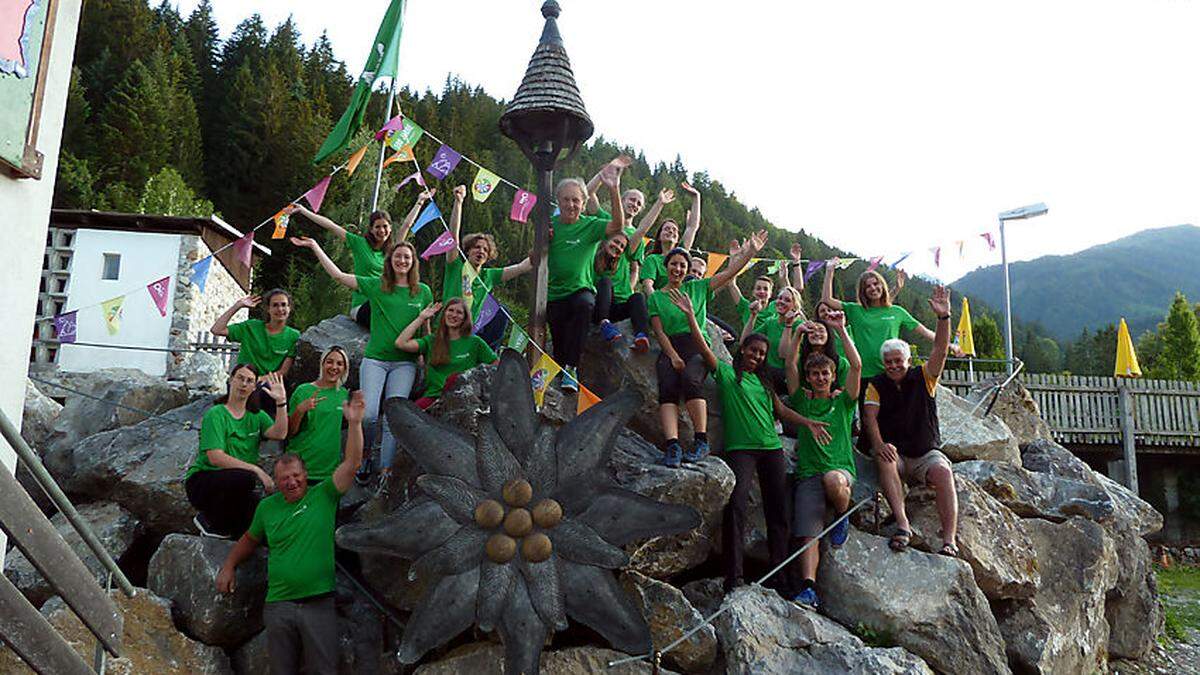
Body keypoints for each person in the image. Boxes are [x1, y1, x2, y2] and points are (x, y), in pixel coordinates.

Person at [668, 289, 830, 597]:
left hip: (771, 448)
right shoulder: (728, 374)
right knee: (737, 507)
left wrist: (808, 422)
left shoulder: (765, 382)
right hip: (741, 449)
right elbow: (704, 347)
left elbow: (780, 411)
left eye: (761, 354)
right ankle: (734, 576)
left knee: (778, 513)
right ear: (742, 350)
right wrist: (691, 316)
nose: (756, 356)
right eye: (753, 351)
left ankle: (781, 577)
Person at [216, 391, 366, 675]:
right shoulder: (267, 508)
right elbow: (250, 539)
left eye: (296, 476)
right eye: (285, 478)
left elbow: (352, 464)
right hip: (279, 604)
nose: (292, 482)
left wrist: (356, 424)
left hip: (319, 602)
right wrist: (229, 565)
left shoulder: (324, 495)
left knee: (324, 670)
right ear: (276, 480)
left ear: (306, 475)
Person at [291, 236, 433, 492]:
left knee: (393, 417)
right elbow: (338, 276)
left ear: (413, 263)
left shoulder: (422, 291)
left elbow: (426, 327)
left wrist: (424, 355)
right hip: (376, 359)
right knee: (368, 415)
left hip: (405, 363)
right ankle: (365, 455)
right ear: (390, 261)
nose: (402, 261)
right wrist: (315, 246)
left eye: (407, 258)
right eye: (398, 256)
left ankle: (386, 471)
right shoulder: (377, 286)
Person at [647, 230, 767, 467]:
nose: (678, 269)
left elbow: (730, 272)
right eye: (674, 264)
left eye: (683, 265)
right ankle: (672, 444)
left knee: (692, 379)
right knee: (667, 386)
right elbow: (659, 331)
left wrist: (749, 252)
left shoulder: (699, 288)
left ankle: (701, 440)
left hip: (696, 345)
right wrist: (671, 355)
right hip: (672, 344)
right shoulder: (656, 298)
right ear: (666, 266)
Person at [863, 285, 958, 557]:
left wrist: (943, 318)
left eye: (898, 361)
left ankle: (949, 540)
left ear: (907, 360)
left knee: (943, 472)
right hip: (899, 454)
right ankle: (903, 525)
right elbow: (869, 417)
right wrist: (880, 444)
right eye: (888, 362)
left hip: (926, 451)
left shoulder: (924, 377)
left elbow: (940, 349)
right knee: (885, 458)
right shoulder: (876, 385)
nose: (893, 366)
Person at [784, 309, 862, 609]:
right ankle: (808, 587)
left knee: (834, 480)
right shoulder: (802, 399)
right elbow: (790, 363)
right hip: (808, 473)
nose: (820, 378)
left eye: (825, 374)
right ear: (809, 377)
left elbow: (856, 365)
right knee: (807, 533)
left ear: (832, 376)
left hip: (838, 470)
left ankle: (843, 513)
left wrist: (841, 330)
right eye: (815, 374)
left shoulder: (843, 401)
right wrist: (798, 332)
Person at [545, 167, 625, 392]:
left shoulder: (590, 225)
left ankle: (572, 368)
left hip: (580, 291)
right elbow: (534, 257)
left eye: (576, 200)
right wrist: (544, 238)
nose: (571, 205)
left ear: (583, 202)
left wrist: (614, 189)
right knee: (559, 344)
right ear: (558, 201)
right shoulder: (550, 226)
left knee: (585, 304)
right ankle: (562, 369)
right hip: (553, 294)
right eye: (566, 200)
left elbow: (617, 226)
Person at [186, 365, 288, 538]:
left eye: (249, 381)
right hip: (204, 481)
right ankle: (208, 519)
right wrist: (256, 469)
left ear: (254, 387)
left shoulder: (256, 416)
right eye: (240, 378)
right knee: (245, 478)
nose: (243, 384)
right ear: (231, 380)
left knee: (257, 517)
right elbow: (215, 457)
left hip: (235, 485)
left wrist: (281, 402)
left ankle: (226, 532)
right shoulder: (216, 414)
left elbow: (280, 433)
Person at [820, 261, 962, 381]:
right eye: (867, 286)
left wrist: (949, 345)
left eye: (876, 284)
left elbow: (924, 332)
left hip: (892, 374)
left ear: (882, 285)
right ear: (862, 291)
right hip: (864, 376)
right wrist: (829, 270)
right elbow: (827, 299)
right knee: (869, 414)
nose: (873, 288)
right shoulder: (855, 310)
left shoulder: (897, 312)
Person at [443, 185, 532, 348]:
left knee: (502, 311)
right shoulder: (455, 266)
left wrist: (544, 245)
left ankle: (489, 353)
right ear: (468, 250)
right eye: (476, 247)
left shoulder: (488, 276)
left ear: (489, 256)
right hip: (446, 331)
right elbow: (452, 237)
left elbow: (522, 267)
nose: (481, 251)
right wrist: (458, 202)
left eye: (485, 249)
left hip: (469, 333)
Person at [593, 188, 674, 351]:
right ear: (622, 200)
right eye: (631, 200)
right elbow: (590, 199)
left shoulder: (634, 237)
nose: (634, 204)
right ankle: (604, 324)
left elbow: (635, 267)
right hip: (601, 298)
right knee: (605, 281)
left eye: (638, 203)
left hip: (621, 300)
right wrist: (607, 179)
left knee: (637, 297)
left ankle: (641, 336)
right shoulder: (607, 222)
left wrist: (630, 286)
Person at [395, 298, 498, 410]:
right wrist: (422, 318)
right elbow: (401, 343)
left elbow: (497, 367)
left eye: (459, 312)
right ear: (444, 314)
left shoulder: (475, 342)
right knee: (409, 417)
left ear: (465, 318)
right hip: (434, 398)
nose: (454, 315)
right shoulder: (431, 341)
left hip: (463, 401)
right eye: (450, 310)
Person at [210, 289, 300, 416]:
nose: (280, 309)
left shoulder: (294, 336)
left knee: (266, 393)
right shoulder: (251, 327)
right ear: (268, 309)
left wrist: (260, 379)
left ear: (289, 308)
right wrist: (238, 305)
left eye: (283, 305)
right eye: (275, 305)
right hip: (243, 380)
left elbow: (283, 372)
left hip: (268, 384)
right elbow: (217, 329)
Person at [286, 346, 350, 484]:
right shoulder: (303, 390)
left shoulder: (344, 395)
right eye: (330, 361)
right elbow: (289, 432)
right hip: (300, 469)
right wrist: (300, 410)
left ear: (345, 368)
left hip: (329, 473)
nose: (334, 367)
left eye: (340, 363)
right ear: (322, 363)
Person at [726, 243, 806, 331]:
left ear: (771, 293)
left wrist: (796, 263)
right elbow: (731, 283)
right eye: (758, 288)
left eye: (765, 289)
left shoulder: (776, 306)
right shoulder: (746, 307)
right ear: (753, 291)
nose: (762, 291)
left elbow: (795, 292)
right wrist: (733, 258)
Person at [741, 285, 806, 394]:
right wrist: (753, 316)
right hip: (767, 372)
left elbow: (784, 354)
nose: (781, 302)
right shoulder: (771, 322)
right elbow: (745, 341)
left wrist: (788, 325)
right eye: (780, 298)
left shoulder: (799, 326)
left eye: (787, 300)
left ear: (794, 306)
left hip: (785, 377)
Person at [640, 182, 703, 293]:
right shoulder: (653, 259)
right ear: (659, 236)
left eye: (674, 230)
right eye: (667, 229)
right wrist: (658, 305)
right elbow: (647, 286)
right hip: (657, 303)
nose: (671, 231)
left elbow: (693, 227)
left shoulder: (681, 253)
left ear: (678, 238)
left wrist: (696, 197)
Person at [789, 318, 850, 390]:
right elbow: (790, 366)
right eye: (812, 331)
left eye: (821, 331)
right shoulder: (799, 361)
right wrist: (798, 331)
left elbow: (846, 389)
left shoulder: (842, 363)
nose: (817, 334)